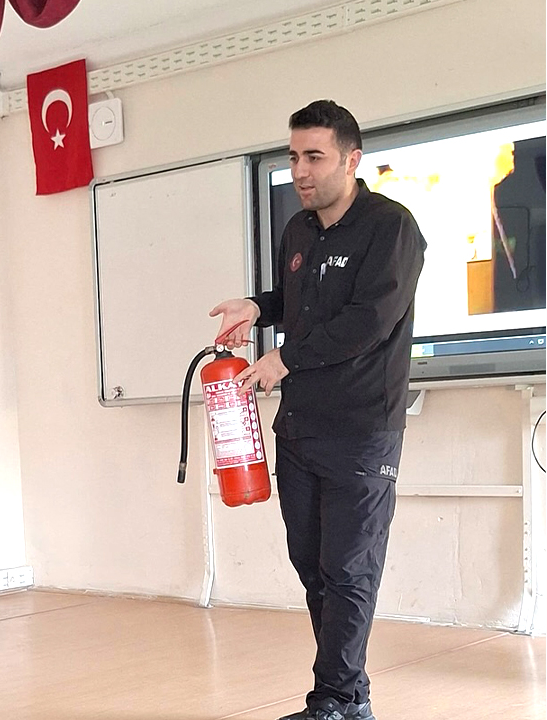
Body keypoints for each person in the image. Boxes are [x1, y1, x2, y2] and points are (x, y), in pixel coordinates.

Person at [210, 100, 426, 720]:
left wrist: (284, 359)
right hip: (300, 426)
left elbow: (368, 321)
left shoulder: (391, 227)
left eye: (314, 157)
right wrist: (259, 306)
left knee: (348, 570)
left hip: (361, 429)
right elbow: (303, 302)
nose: (300, 171)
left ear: (351, 160)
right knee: (313, 569)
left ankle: (333, 700)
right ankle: (348, 700)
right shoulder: (299, 231)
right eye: (293, 157)